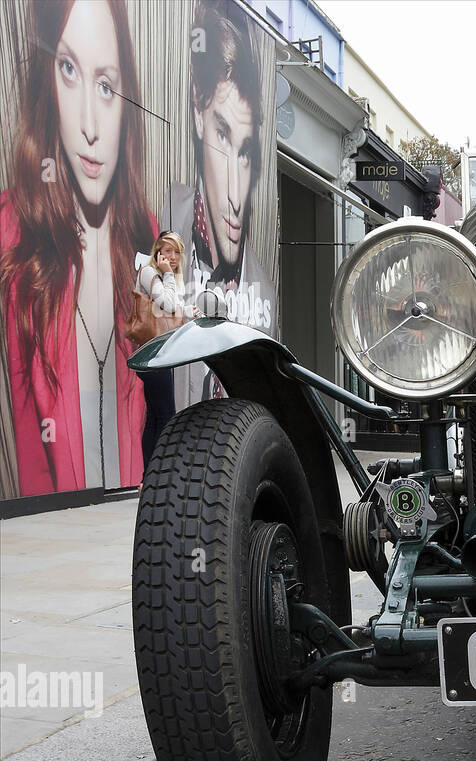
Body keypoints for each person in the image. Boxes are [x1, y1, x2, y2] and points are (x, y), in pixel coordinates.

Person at [0, 0, 154, 497]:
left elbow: (163, 402)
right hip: (53, 537)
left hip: (135, 524)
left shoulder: (146, 239)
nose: (89, 124)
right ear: (47, 79)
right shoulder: (13, 230)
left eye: (106, 86)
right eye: (68, 69)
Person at [165, 0, 274, 409]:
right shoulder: (158, 223)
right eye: (222, 136)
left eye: (244, 152)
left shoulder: (263, 292)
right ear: (198, 112)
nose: (234, 194)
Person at [134, 232, 195, 467]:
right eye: (168, 251)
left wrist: (188, 311)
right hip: (152, 354)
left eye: (177, 252)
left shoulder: (159, 277)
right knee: (166, 416)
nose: (172, 257)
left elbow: (168, 310)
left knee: (156, 417)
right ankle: (160, 472)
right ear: (158, 252)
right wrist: (168, 273)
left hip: (157, 354)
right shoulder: (149, 273)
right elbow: (167, 304)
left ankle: (149, 475)